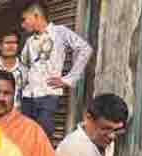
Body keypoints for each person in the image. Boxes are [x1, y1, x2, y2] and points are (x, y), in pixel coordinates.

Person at [20, 2, 93, 140]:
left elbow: (85, 49)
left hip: (47, 95)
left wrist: (69, 79)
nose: (23, 25)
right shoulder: (29, 41)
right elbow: (23, 66)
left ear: (36, 16)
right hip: (28, 97)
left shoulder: (60, 32)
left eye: (25, 19)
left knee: (43, 136)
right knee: (26, 137)